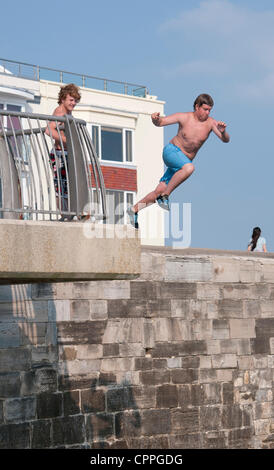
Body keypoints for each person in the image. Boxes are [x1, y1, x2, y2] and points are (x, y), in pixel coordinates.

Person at [127, 93, 230, 229]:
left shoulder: (211, 123)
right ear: (196, 106)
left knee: (158, 190)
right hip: (171, 152)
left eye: (209, 110)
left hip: (181, 163)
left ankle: (134, 210)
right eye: (205, 109)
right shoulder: (184, 117)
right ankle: (165, 196)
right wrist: (155, 119)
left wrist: (223, 132)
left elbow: (225, 140)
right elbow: (161, 122)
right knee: (189, 168)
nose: (207, 113)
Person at [45, 83, 81, 218]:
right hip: (59, 154)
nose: (74, 103)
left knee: (66, 185)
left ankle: (69, 213)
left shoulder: (67, 111)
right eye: (71, 100)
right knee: (61, 186)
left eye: (76, 100)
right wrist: (67, 141)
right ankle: (65, 214)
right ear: (63, 99)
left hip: (65, 154)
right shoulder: (60, 111)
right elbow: (48, 130)